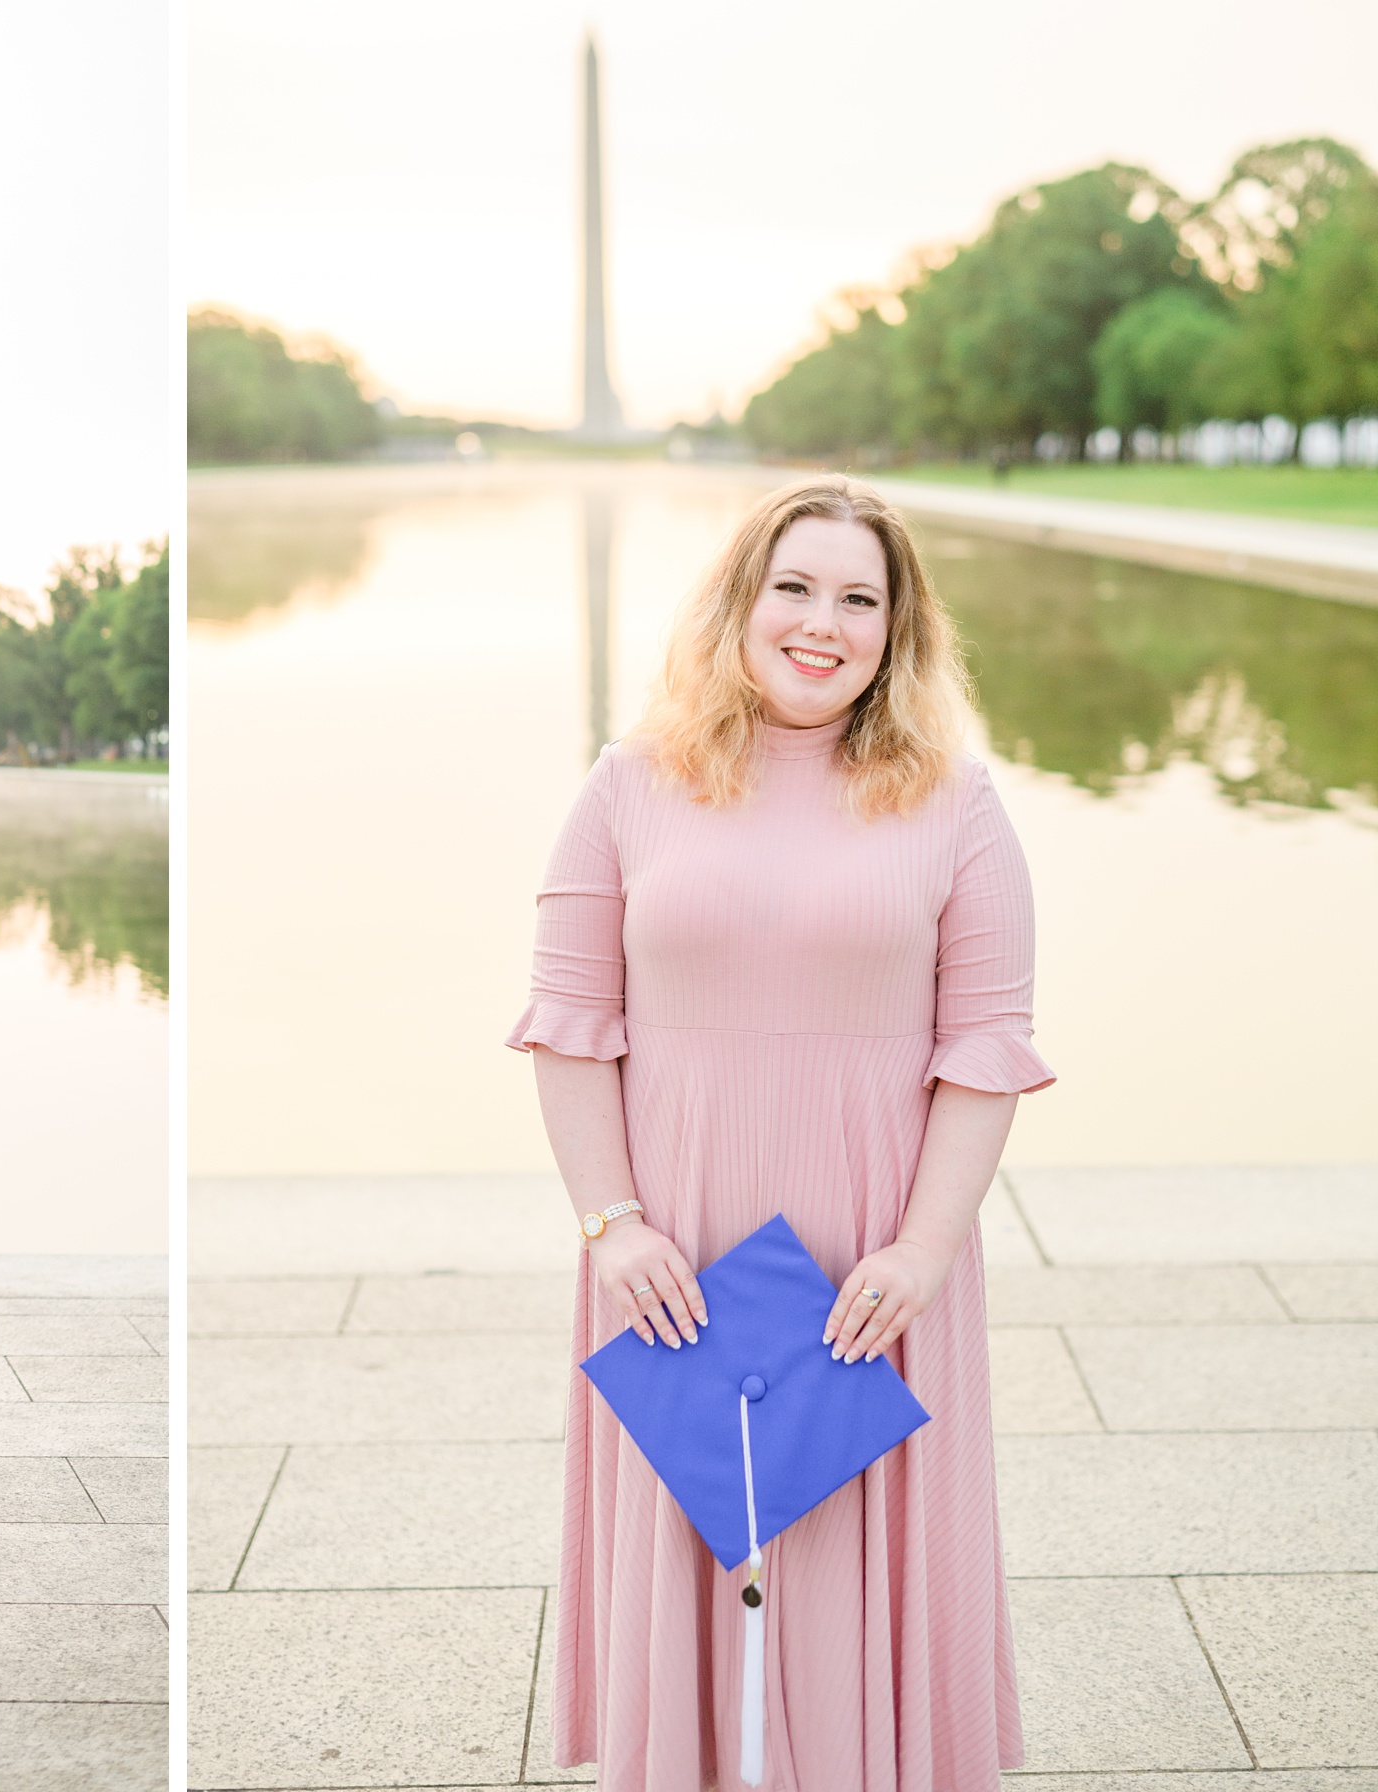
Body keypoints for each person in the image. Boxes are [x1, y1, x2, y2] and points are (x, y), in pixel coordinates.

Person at [509, 476, 1052, 1792]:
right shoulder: (627, 785)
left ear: (898, 630)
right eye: (795, 587)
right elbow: (573, 1023)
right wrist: (612, 1225)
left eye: (860, 598)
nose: (824, 622)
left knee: (848, 1574)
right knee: (699, 1559)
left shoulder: (958, 807)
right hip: (674, 1254)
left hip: (875, 1263)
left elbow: (985, 1050)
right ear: (740, 604)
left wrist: (923, 1252)